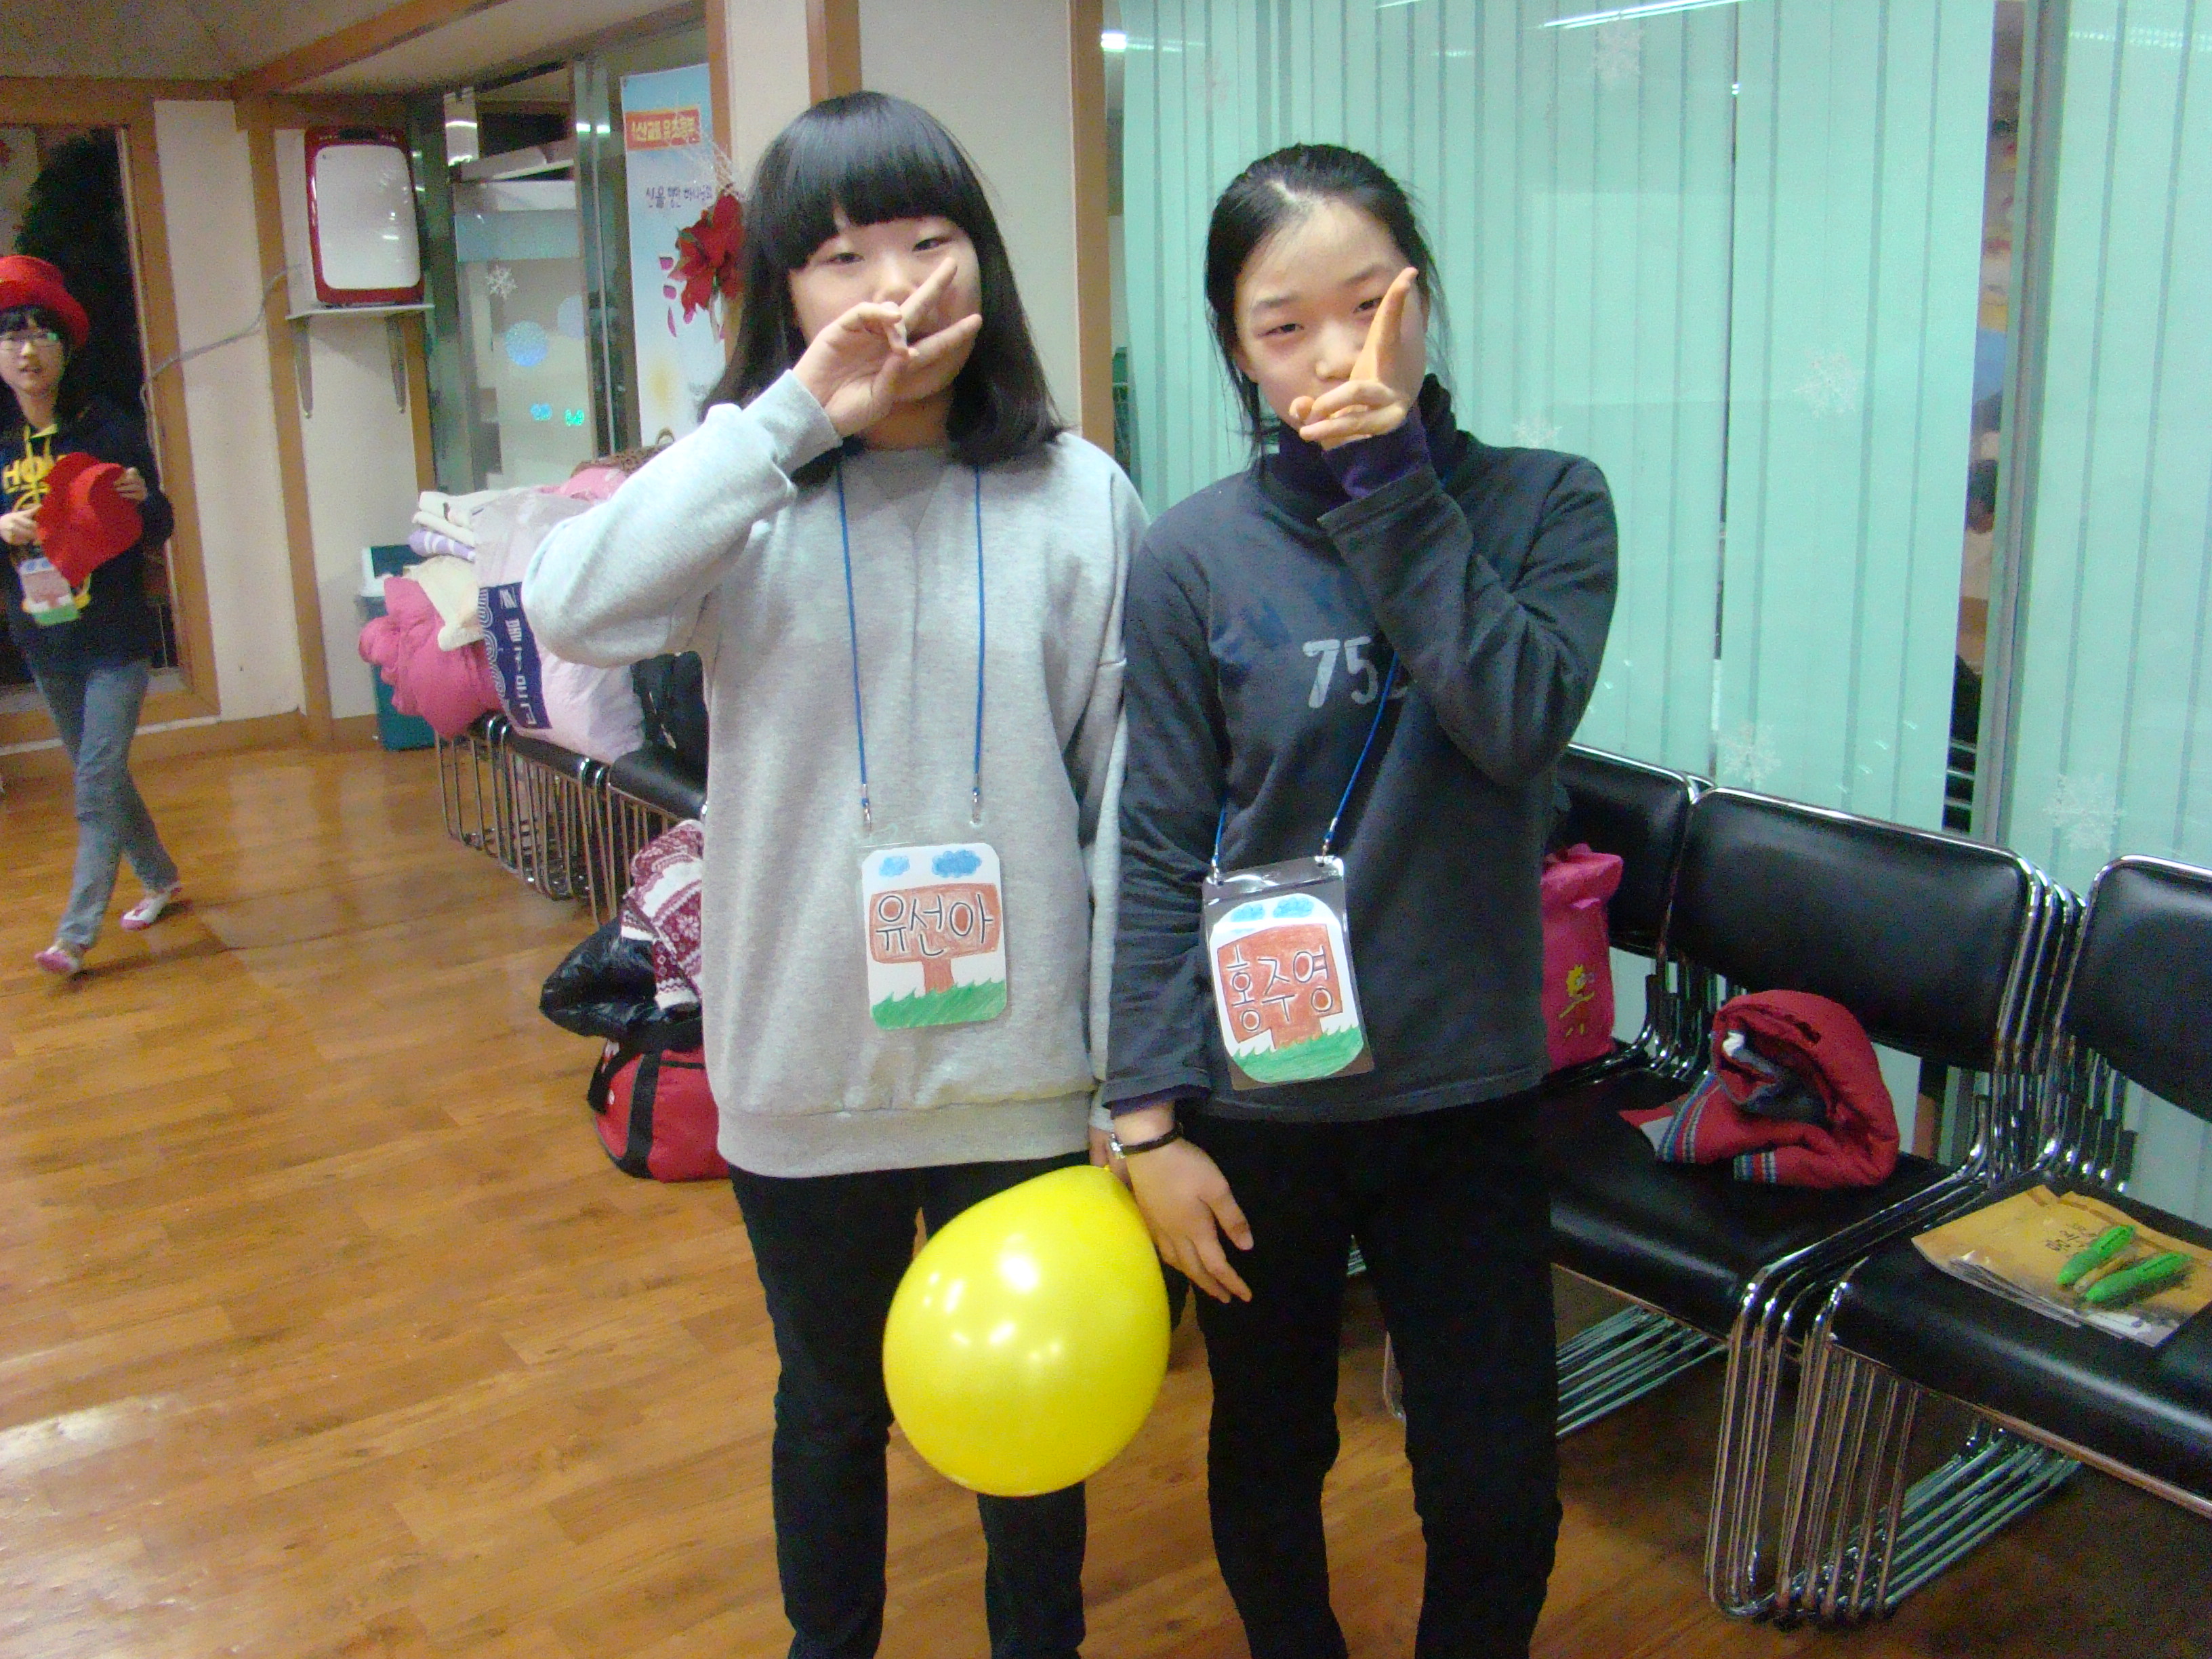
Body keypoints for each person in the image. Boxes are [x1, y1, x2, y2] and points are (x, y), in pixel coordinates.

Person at [523, 94, 1141, 1659]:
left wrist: (1125, 1073)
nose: (893, 283)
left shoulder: (1080, 497)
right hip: (805, 1056)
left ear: (981, 263)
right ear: (784, 291)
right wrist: (791, 415)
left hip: (1024, 1066)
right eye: (840, 255)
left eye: (928, 241)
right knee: (830, 1403)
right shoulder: (743, 501)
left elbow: (1123, 803)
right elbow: (572, 606)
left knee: (1033, 1420)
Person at [1103, 145, 1618, 1658]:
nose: (1333, 353)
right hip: (1258, 1099)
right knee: (1271, 1448)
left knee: (1495, 1487)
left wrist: (1390, 483)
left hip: (1462, 1087)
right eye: (1283, 326)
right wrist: (1147, 1122)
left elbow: (1515, 719)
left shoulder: (1544, 505)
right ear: (1237, 352)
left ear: (1422, 302)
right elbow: (1159, 842)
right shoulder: (1194, 554)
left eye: (1367, 305)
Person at [0, 254, 183, 977]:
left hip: (115, 636)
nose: (27, 350)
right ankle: (160, 876)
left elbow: (160, 524)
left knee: (94, 783)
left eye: (41, 334)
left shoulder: (106, 428)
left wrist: (142, 499)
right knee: (98, 772)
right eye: (11, 336)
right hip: (44, 635)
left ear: (65, 349)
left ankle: (74, 936)